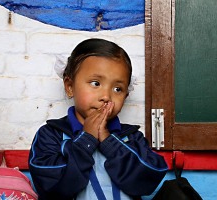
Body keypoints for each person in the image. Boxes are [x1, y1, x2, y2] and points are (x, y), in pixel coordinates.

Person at [28, 38, 168, 200]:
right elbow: (52, 190)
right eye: (96, 83)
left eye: (118, 89)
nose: (106, 96)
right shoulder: (51, 135)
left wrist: (109, 141)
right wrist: (86, 140)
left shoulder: (132, 137)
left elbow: (148, 180)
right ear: (70, 86)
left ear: (126, 95)